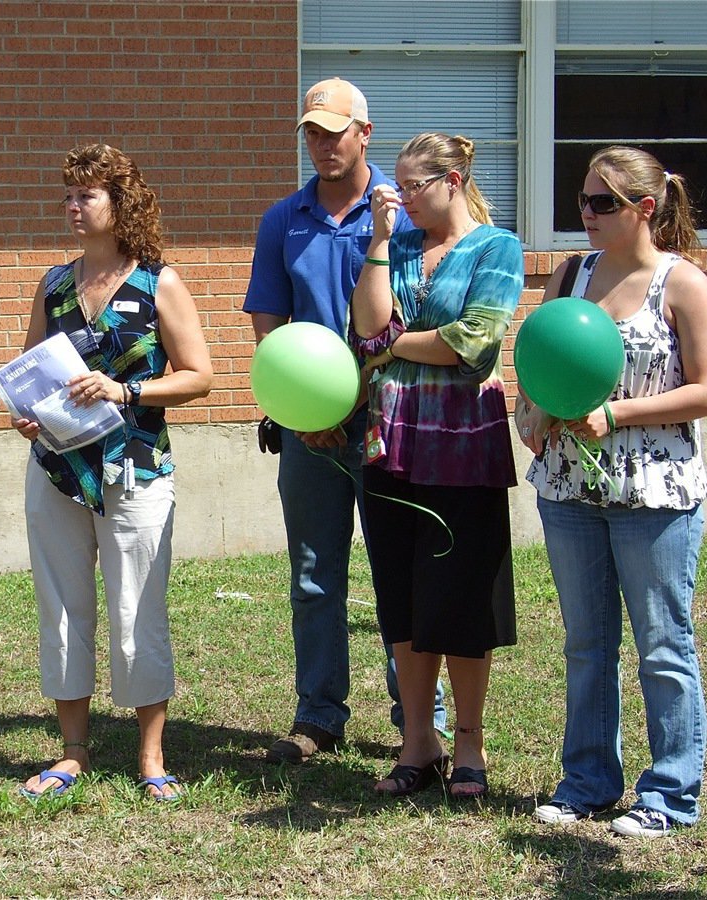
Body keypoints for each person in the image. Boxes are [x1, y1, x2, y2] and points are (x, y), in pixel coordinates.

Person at [520, 147, 707, 837]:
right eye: (582, 201)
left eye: (602, 203)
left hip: (656, 496)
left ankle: (669, 794)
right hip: (570, 490)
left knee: (663, 645)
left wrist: (618, 413)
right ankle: (586, 782)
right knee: (587, 643)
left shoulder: (682, 283)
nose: (587, 215)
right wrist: (533, 415)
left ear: (645, 207)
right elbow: (541, 365)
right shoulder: (569, 276)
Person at [243, 78, 447, 765]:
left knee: (403, 573)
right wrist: (301, 411)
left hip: (391, 415)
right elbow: (270, 325)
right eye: (311, 131)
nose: (322, 144)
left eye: (335, 131)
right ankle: (318, 715)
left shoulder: (403, 210)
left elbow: (414, 314)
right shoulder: (283, 219)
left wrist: (349, 398)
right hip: (310, 429)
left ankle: (419, 718)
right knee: (313, 573)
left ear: (366, 133)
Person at [12, 144, 212, 801]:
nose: (73, 206)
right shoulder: (55, 284)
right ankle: (72, 752)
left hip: (136, 470)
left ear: (120, 203)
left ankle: (151, 758)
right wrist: (27, 415)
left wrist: (126, 393)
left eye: (86, 195)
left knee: (137, 610)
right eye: (67, 195)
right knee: (63, 610)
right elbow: (31, 369)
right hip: (57, 471)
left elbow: (199, 377)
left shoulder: (159, 282)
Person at [350, 132, 523, 799]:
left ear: (451, 180)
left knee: (461, 601)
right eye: (390, 188)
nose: (397, 198)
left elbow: (473, 343)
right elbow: (364, 331)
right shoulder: (396, 249)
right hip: (388, 447)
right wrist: (376, 241)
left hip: (463, 447)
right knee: (403, 598)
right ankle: (418, 741)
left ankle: (471, 745)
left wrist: (391, 349)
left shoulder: (496, 248)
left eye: (409, 187)